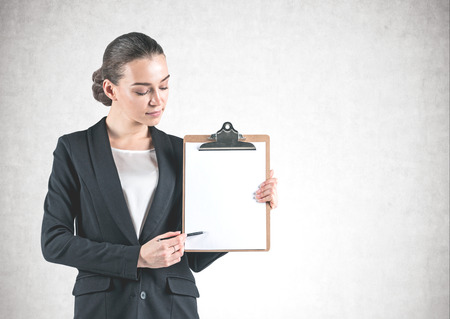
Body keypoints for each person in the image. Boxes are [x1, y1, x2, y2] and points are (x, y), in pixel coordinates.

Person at [41, 32, 278, 319]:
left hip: (172, 307)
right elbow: (54, 242)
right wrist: (136, 258)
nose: (158, 100)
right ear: (111, 89)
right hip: (104, 308)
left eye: (164, 87)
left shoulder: (183, 151)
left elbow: (197, 255)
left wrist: (251, 206)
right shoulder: (75, 149)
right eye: (143, 91)